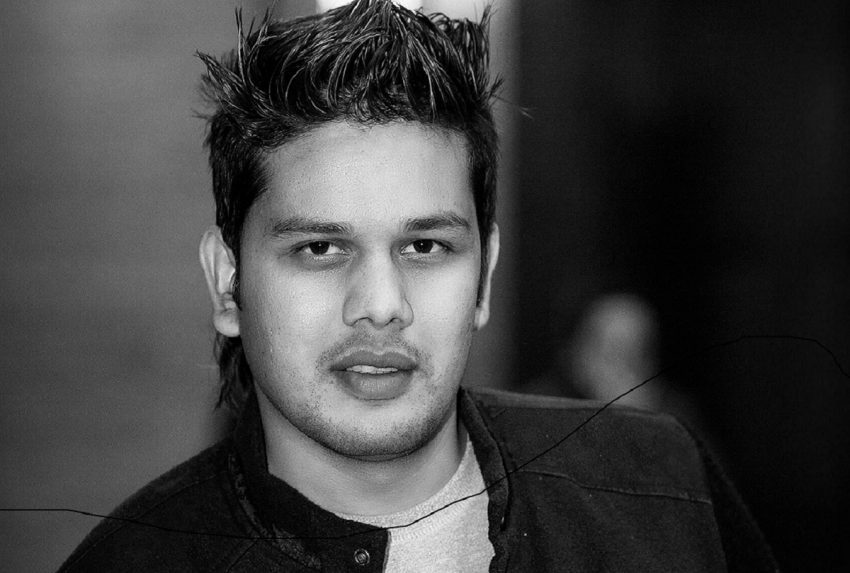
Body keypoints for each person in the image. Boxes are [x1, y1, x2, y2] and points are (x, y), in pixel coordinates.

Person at [59, 1, 777, 571]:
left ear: (483, 277)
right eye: (319, 247)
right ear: (228, 284)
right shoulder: (130, 560)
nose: (381, 305)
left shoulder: (662, 488)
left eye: (425, 246)